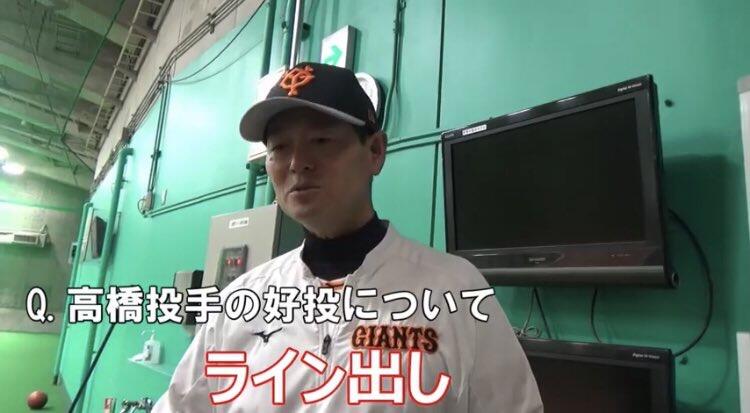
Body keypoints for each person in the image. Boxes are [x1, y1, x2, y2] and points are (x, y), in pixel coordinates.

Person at [152, 62, 542, 412]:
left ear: (375, 151)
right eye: (279, 147)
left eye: (321, 141)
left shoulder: (453, 289)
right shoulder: (242, 300)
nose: (297, 163)